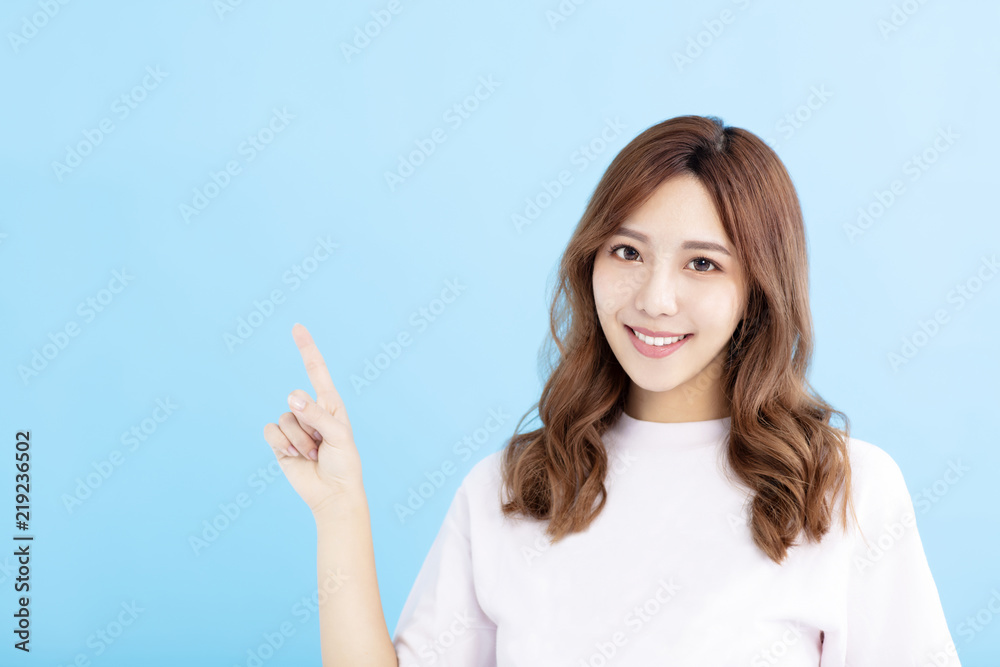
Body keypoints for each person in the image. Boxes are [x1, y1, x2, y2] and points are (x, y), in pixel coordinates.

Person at [262, 115, 961, 666]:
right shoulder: (512, 487)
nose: (654, 298)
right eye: (627, 251)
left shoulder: (844, 489)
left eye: (703, 263)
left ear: (757, 291)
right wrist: (340, 509)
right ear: (589, 262)